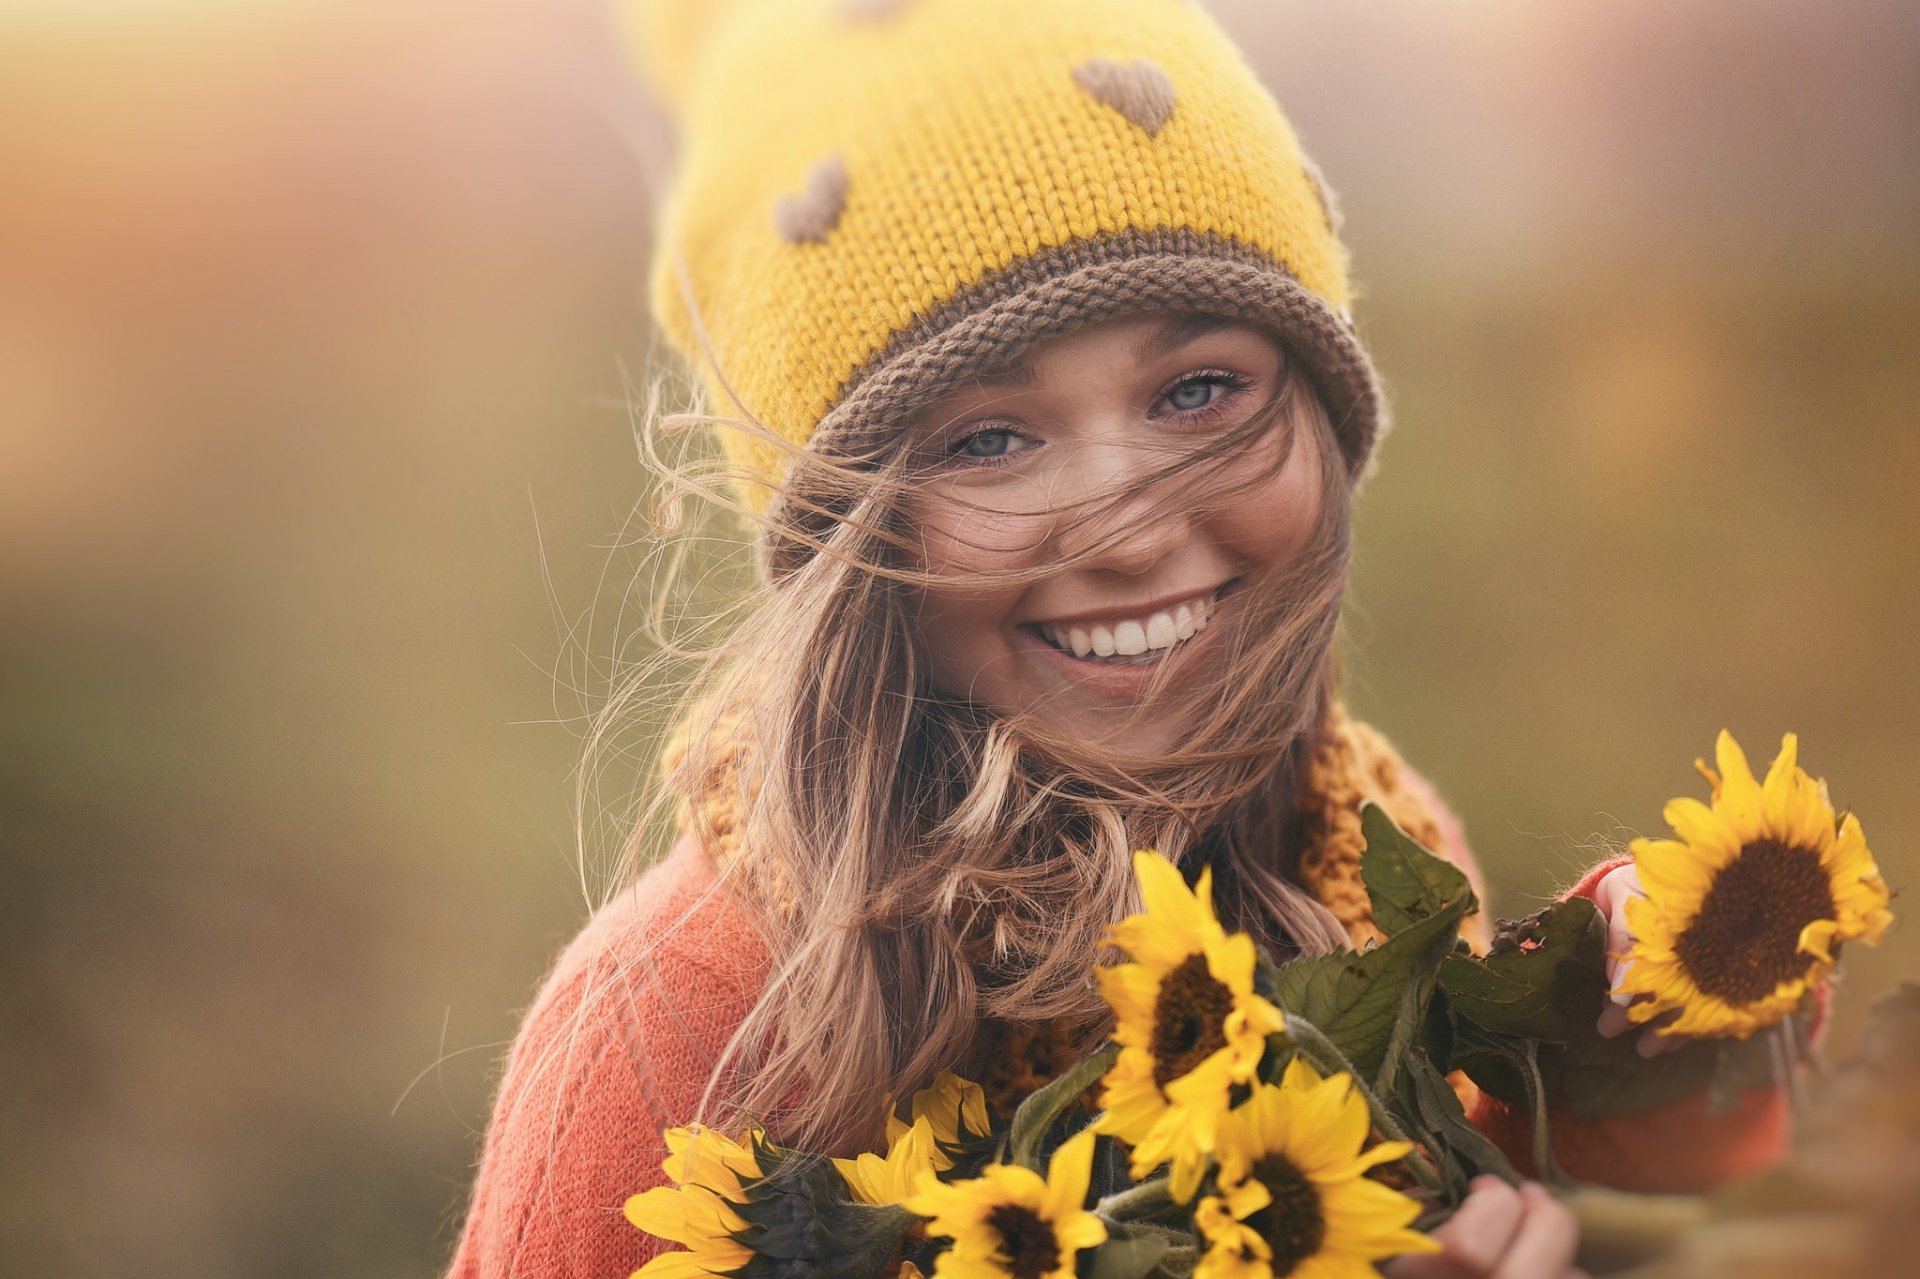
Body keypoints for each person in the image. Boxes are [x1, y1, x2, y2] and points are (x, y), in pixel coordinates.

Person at [445, 1, 1803, 1275]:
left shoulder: (1370, 860)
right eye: (986, 438)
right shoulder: (680, 1030)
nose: (1128, 531)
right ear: (848, 548)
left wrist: (1612, 1042)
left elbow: (1438, 1180)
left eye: (1199, 389)